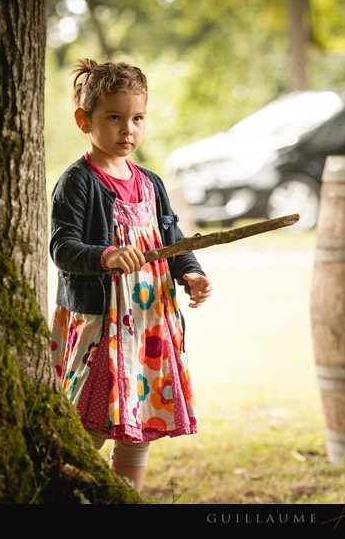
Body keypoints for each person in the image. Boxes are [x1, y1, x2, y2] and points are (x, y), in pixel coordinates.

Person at [49, 58, 212, 492]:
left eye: (137, 118)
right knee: (92, 418)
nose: (128, 130)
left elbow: (172, 238)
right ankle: (63, 493)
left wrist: (191, 273)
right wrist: (105, 255)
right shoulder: (78, 182)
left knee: (140, 419)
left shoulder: (151, 183)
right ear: (84, 120)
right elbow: (62, 248)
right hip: (103, 324)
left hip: (148, 324)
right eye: (114, 118)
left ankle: (126, 497)